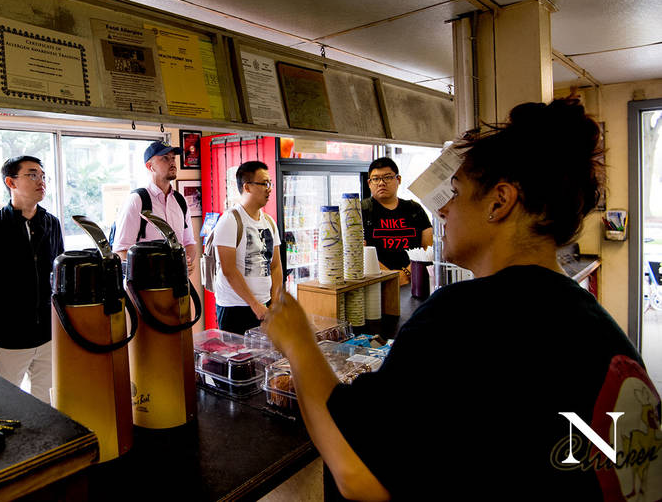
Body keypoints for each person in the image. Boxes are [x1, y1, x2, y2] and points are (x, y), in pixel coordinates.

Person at [263, 98, 660, 500]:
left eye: (455, 193)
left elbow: (358, 471)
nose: (444, 210)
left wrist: (298, 342)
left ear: (499, 201)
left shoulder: (462, 317)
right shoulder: (601, 328)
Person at [0, 156, 64, 404]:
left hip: (48, 336)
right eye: (32, 175)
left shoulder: (51, 223)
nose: (40, 181)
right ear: (11, 182)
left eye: (42, 175)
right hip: (6, 339)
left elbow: (59, 277)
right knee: (3, 407)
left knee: (49, 405)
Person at [213, 160, 282, 334]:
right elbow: (229, 270)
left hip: (265, 306)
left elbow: (275, 266)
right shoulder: (230, 220)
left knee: (264, 359)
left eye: (270, 183)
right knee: (238, 359)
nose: (269, 188)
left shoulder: (269, 222)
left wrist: (274, 303)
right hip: (235, 308)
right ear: (247, 187)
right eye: (264, 183)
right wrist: (254, 305)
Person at [113, 141, 197, 274]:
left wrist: (186, 263)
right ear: (150, 166)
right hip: (144, 289)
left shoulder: (180, 201)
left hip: (176, 285)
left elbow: (189, 243)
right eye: (165, 158)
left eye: (173, 158)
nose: (172, 163)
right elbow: (120, 252)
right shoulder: (137, 201)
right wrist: (152, 270)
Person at [361, 157, 433, 285]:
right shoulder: (360, 212)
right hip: (377, 283)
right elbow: (358, 251)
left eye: (387, 177)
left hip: (415, 281)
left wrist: (407, 273)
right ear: (369, 183)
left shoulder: (414, 209)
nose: (381, 183)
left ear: (398, 180)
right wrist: (391, 278)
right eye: (376, 179)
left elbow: (428, 248)